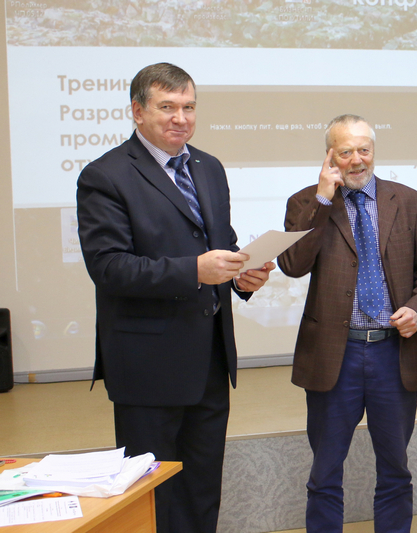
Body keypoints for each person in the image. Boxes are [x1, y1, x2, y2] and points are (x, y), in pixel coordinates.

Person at [76, 62, 275, 533]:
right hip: (147, 367)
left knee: (202, 487)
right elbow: (109, 268)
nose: (180, 118)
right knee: (153, 495)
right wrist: (195, 270)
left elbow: (220, 243)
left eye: (188, 107)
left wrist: (241, 277)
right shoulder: (105, 175)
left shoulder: (209, 167)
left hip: (209, 361)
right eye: (167, 107)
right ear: (137, 111)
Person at [278, 114, 417, 532]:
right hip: (335, 355)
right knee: (324, 472)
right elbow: (293, 264)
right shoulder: (305, 202)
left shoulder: (408, 201)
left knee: (395, 469)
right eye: (345, 152)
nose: (356, 160)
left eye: (364, 150)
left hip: (393, 353)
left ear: (374, 151)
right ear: (329, 156)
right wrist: (322, 199)